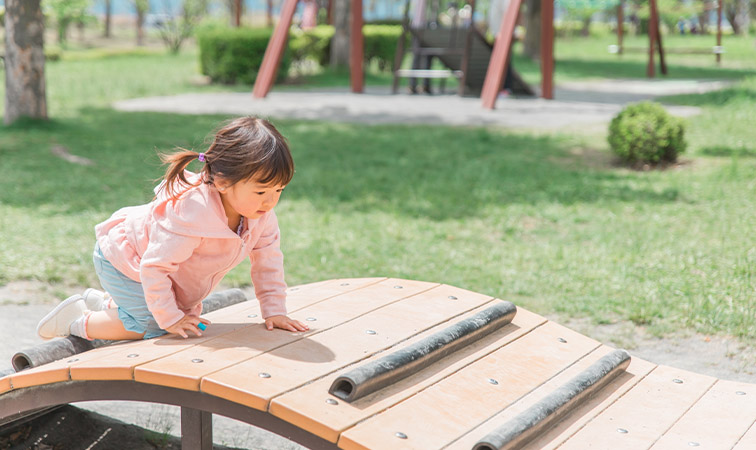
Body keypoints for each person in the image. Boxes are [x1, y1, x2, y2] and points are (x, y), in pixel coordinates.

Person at [36, 117, 309, 341]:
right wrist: (171, 319)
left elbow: (268, 262)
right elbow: (154, 268)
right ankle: (74, 320)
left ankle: (104, 304)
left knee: (172, 316)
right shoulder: (191, 215)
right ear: (223, 182)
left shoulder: (261, 214)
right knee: (153, 326)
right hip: (125, 259)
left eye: (279, 189)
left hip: (154, 268)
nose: (271, 200)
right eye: (261, 190)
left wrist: (274, 311)